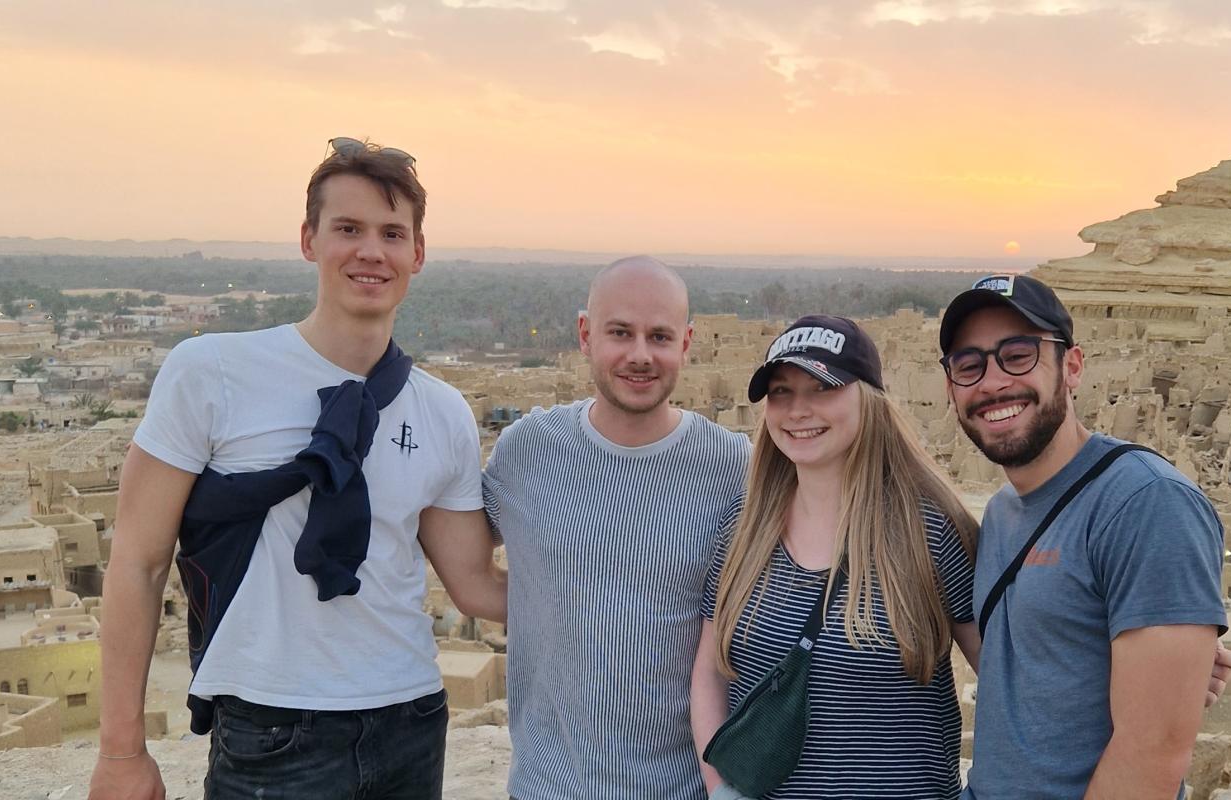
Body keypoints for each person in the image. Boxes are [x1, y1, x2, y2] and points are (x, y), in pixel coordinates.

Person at [88, 139, 506, 800]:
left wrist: (621, 595)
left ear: (417, 254)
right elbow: (138, 563)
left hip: (410, 718)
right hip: (270, 725)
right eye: (348, 229)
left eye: (392, 234)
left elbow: (476, 584)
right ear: (310, 240)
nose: (371, 252)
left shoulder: (443, 411)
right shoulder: (212, 373)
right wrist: (121, 751)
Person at [946, 274, 1229, 799]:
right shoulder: (1004, 511)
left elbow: (1151, 755)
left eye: (1018, 355)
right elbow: (1038, 664)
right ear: (951, 389)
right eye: (969, 365)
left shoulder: (1147, 503)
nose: (993, 382)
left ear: (1072, 366)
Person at [482, 256, 750, 799]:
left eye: (660, 336)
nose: (640, 355)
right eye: (620, 333)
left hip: (681, 788)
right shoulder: (526, 451)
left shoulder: (732, 467)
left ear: (686, 343)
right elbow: (467, 574)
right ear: (585, 335)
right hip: (549, 786)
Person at [690, 315, 981, 799]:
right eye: (781, 392)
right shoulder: (745, 527)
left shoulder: (928, 531)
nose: (797, 410)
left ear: (868, 398)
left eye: (822, 388)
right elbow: (709, 673)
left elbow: (1004, 678)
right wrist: (721, 789)